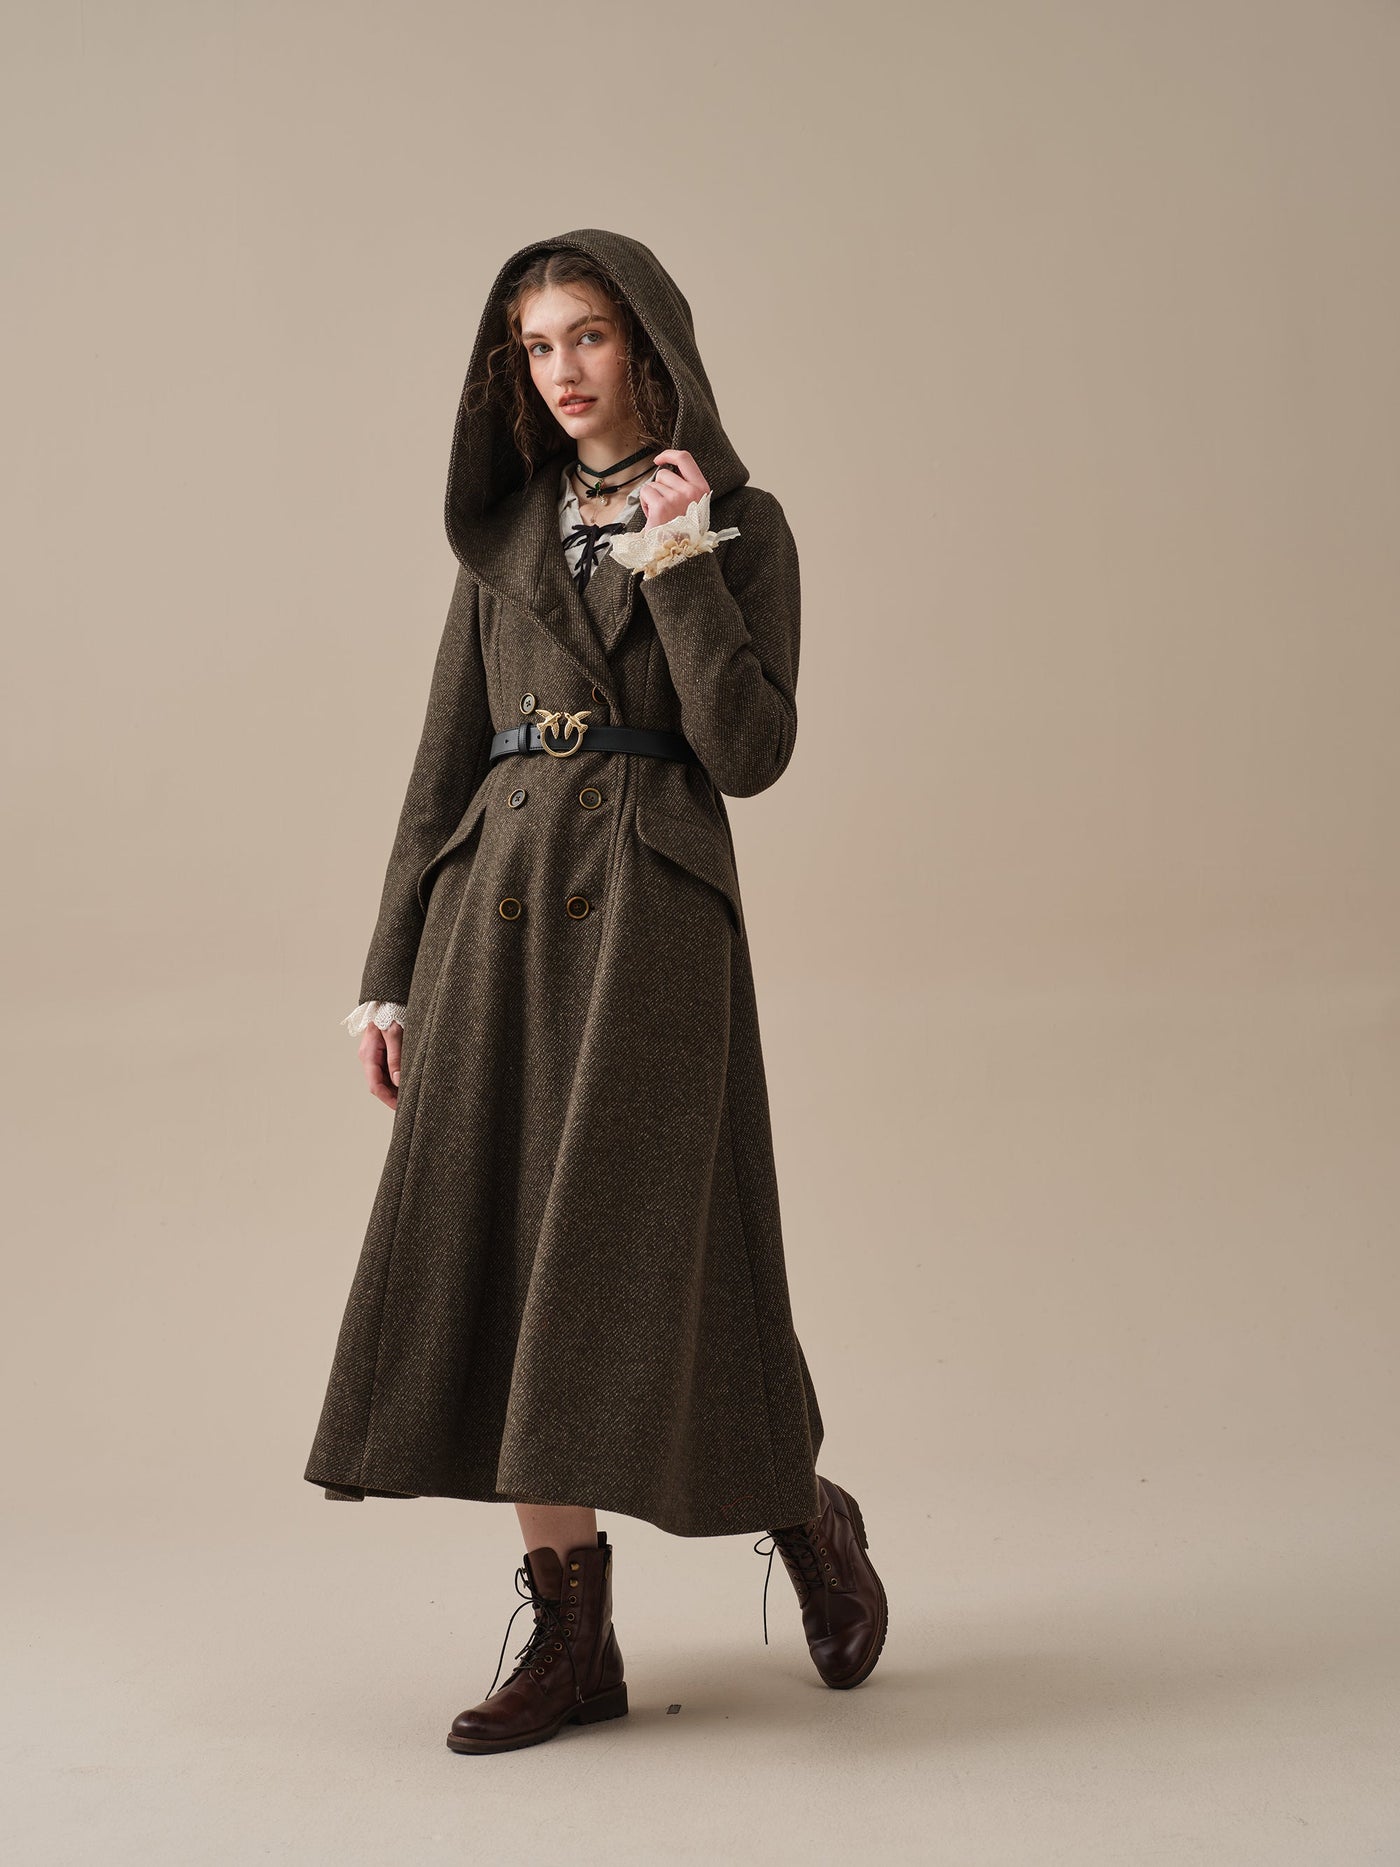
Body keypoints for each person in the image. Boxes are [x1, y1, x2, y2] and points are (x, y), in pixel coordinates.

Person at [304, 229, 888, 1754]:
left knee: (658, 1258)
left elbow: (748, 753)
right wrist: (386, 973)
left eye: (588, 336)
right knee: (512, 1260)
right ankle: (575, 1640)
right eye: (537, 344)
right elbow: (442, 754)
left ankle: (801, 1506)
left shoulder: (742, 525)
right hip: (496, 921)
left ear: (648, 345)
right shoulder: (507, 537)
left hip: (647, 917)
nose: (562, 370)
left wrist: (683, 565)